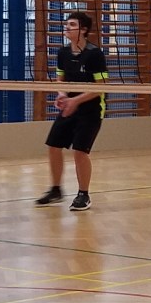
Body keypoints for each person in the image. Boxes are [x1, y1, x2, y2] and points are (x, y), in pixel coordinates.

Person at [33, 11, 108, 212]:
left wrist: (75, 101)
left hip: (91, 109)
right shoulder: (63, 53)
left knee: (80, 151)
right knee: (53, 145)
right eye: (67, 24)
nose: (67, 27)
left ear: (83, 30)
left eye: (72, 24)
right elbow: (61, 79)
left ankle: (84, 194)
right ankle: (56, 190)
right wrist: (62, 95)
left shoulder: (94, 54)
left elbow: (101, 87)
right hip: (70, 106)